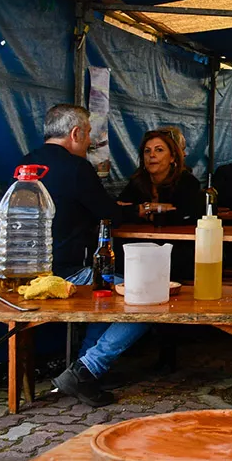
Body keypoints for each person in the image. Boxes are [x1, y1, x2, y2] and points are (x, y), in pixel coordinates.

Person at [53, 129, 203, 406]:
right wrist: (147, 209)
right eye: (147, 151)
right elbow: (117, 212)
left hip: (177, 255)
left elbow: (191, 216)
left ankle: (85, 369)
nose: (152, 156)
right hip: (134, 256)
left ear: (173, 157)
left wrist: (144, 211)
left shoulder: (189, 184)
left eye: (159, 150)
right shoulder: (138, 182)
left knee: (144, 297)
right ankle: (85, 370)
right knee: (126, 297)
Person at [17, 104, 119, 279]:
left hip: (23, 274)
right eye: (87, 133)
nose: (89, 141)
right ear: (75, 134)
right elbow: (109, 215)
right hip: (67, 275)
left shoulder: (23, 164)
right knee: (140, 291)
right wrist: (138, 210)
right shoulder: (78, 167)